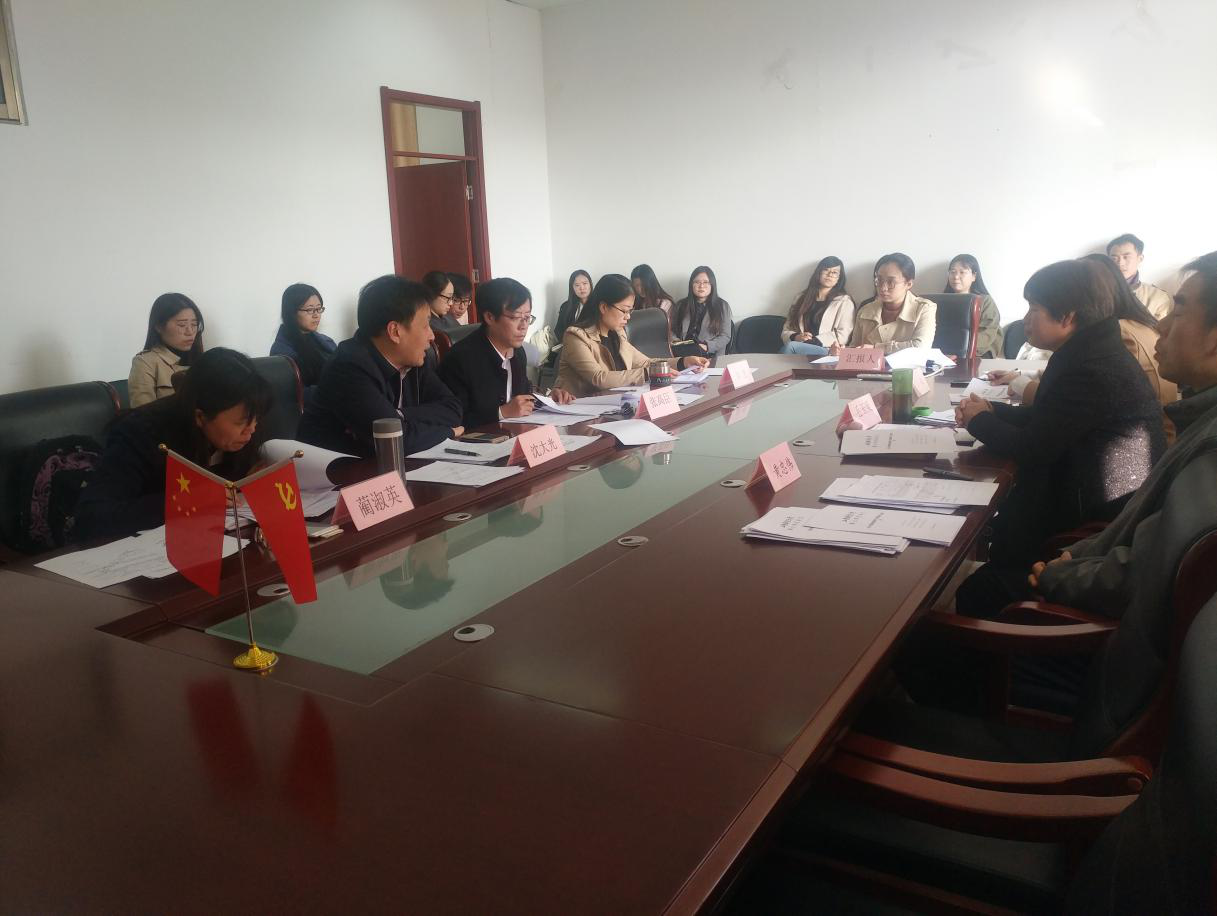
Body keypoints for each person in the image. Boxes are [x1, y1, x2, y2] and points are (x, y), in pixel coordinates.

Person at [955, 259, 1165, 572]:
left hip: (1088, 524)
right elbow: (1052, 418)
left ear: (1067, 317)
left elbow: (1034, 448)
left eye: (1033, 308)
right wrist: (992, 410)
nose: (1026, 319)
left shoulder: (1091, 368)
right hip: (1087, 495)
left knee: (978, 583)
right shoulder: (1090, 351)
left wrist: (979, 421)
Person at [75, 348, 271, 542]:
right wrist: (185, 501)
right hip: (149, 550)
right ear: (200, 416)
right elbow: (92, 517)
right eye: (241, 423)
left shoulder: (244, 421)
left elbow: (241, 475)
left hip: (229, 539)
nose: (252, 430)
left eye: (256, 419)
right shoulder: (141, 433)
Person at [297, 275, 463, 457]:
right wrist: (448, 432)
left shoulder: (413, 359)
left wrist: (399, 416)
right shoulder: (348, 367)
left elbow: (453, 409)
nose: (431, 336)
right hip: (336, 470)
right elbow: (395, 440)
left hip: (391, 464)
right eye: (425, 326)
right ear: (395, 331)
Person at [439, 277, 574, 428]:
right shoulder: (460, 359)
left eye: (527, 317)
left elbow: (521, 398)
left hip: (516, 434)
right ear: (490, 317)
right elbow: (453, 418)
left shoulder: (518, 353)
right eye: (515, 317)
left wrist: (547, 400)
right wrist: (501, 412)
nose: (523, 326)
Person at [555, 273, 709, 397]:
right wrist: (649, 373)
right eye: (624, 310)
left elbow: (646, 363)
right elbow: (599, 378)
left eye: (630, 311)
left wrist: (683, 362)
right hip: (579, 412)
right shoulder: (576, 337)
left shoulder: (617, 334)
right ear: (603, 307)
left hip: (613, 407)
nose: (628, 317)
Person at [836, 253, 936, 354]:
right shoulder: (865, 311)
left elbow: (920, 347)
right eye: (879, 280)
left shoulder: (924, 309)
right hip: (869, 365)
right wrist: (841, 352)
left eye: (891, 282)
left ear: (908, 284)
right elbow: (855, 349)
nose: (883, 288)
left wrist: (876, 348)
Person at [128, 293, 206, 407]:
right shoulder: (145, 363)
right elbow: (143, 414)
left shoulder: (203, 361)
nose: (190, 332)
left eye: (194, 324)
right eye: (182, 325)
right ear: (159, 326)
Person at [270, 283, 337, 401]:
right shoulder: (281, 353)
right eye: (310, 310)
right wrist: (337, 387)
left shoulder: (327, 341)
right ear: (292, 312)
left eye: (319, 309)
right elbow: (292, 396)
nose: (316, 315)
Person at [779, 256, 854, 356]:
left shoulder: (844, 302)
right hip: (799, 346)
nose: (830, 275)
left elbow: (844, 335)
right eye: (826, 270)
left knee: (790, 347)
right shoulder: (800, 298)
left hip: (826, 350)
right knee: (790, 347)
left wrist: (814, 341)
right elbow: (786, 329)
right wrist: (796, 337)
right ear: (818, 273)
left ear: (839, 278)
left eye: (835, 272)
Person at [944, 253, 1002, 358]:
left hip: (979, 352)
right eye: (952, 272)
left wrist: (960, 351)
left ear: (974, 276)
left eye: (962, 272)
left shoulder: (985, 301)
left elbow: (987, 333)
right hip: (948, 351)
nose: (956, 277)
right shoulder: (943, 301)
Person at [671, 266, 733, 360]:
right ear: (691, 285)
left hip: (708, 355)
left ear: (712, 285)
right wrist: (677, 343)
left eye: (706, 282)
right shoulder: (681, 305)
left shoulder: (722, 306)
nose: (701, 286)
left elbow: (725, 336)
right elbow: (671, 330)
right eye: (697, 282)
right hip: (683, 355)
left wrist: (707, 346)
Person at [1108, 233, 1173, 320]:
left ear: (1140, 258)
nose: (1120, 263)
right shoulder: (1096, 292)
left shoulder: (1158, 297)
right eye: (1114, 258)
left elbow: (1160, 328)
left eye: (1126, 257)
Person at [553, 269, 591, 343]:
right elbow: (558, 331)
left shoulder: (597, 305)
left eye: (585, 283)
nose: (582, 288)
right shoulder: (566, 306)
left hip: (591, 345)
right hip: (569, 344)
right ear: (572, 288)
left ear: (590, 284)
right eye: (577, 285)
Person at [422, 270, 460, 335]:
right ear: (431, 294)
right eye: (447, 298)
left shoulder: (448, 317)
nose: (451, 303)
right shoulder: (426, 324)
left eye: (451, 298)